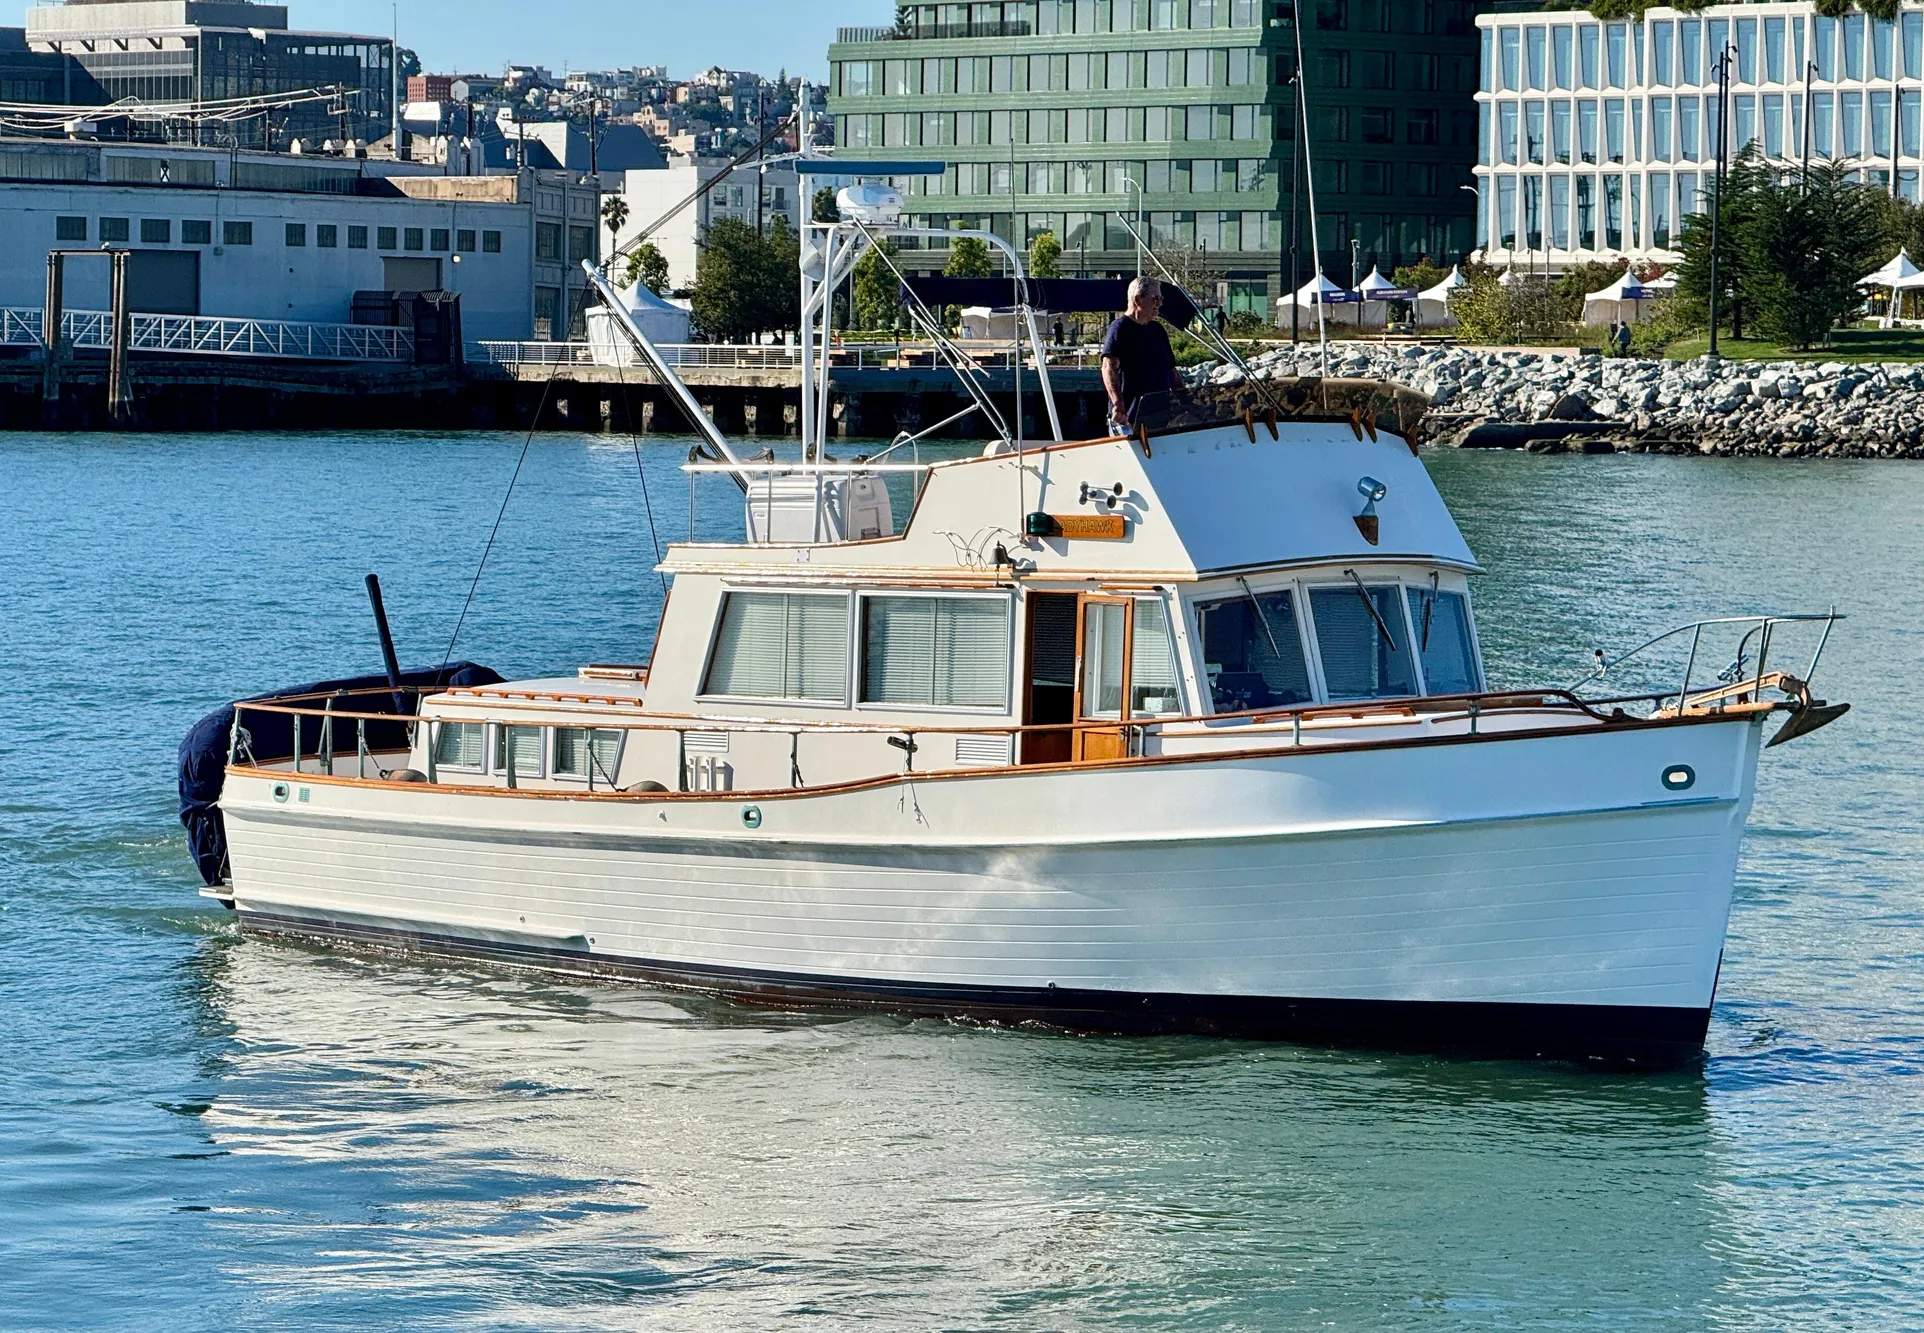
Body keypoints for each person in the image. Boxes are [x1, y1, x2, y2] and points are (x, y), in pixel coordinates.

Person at [1101, 276, 1182, 432]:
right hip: (1129, 418)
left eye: (1161, 298)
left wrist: (1186, 400)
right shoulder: (1119, 329)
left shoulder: (1158, 330)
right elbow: (1108, 368)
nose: (1159, 304)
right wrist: (1118, 404)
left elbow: (1171, 370)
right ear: (1138, 300)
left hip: (1159, 415)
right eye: (1155, 298)